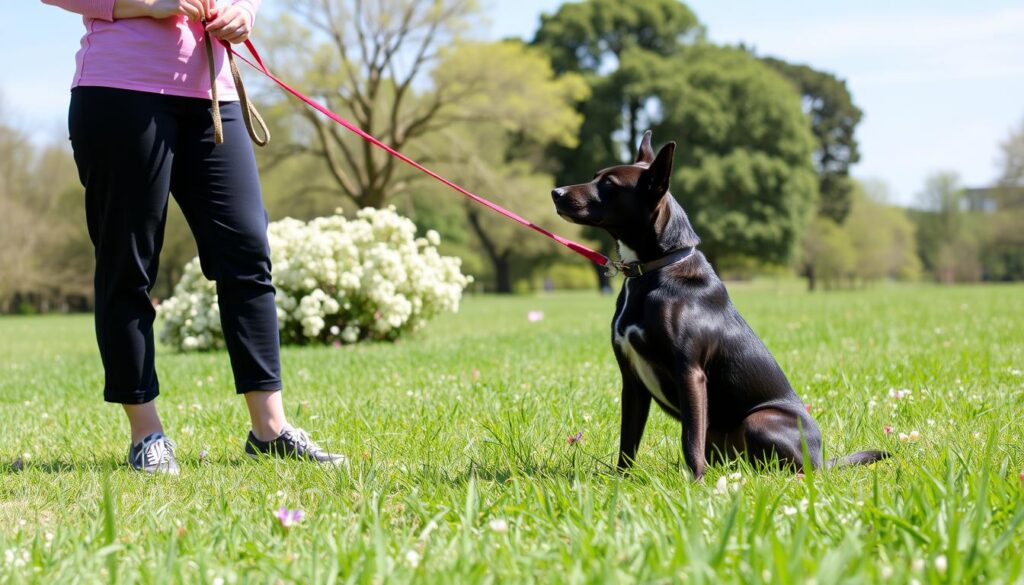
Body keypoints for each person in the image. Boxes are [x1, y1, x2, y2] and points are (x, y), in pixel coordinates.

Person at [42, 0, 343, 473]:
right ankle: (147, 434)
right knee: (129, 264)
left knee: (247, 250)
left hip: (212, 94)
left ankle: (269, 430)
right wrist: (145, 4)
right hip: (120, 92)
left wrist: (244, 12)